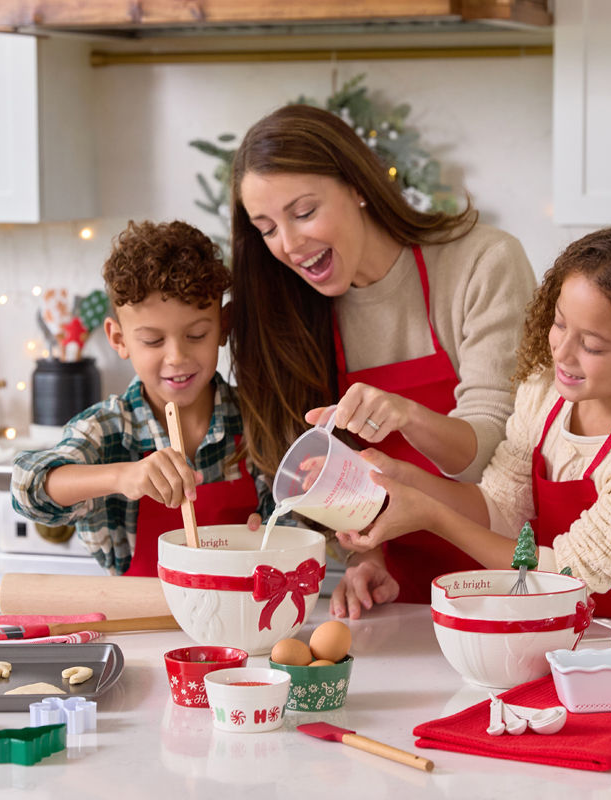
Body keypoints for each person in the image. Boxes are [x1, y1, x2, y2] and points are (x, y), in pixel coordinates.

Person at [336, 222, 611, 620]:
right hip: (572, 621)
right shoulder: (545, 392)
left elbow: (565, 575)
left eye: (592, 345)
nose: (562, 354)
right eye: (560, 323)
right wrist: (402, 479)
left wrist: (431, 514)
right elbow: (502, 508)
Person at [227, 103, 538, 613]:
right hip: (404, 600)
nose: (288, 244)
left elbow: (491, 448)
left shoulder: (481, 263)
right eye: (266, 228)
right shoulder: (290, 314)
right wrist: (368, 560)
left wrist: (409, 415)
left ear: (358, 186)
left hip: (512, 581)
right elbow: (346, 483)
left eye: (304, 212)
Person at [11, 220, 274, 576]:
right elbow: (27, 487)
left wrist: (275, 533)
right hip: (143, 624)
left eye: (197, 334)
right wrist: (121, 476)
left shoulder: (257, 419)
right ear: (118, 339)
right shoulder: (106, 429)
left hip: (242, 617)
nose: (177, 356)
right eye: (152, 341)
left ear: (223, 326)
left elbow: (298, 517)